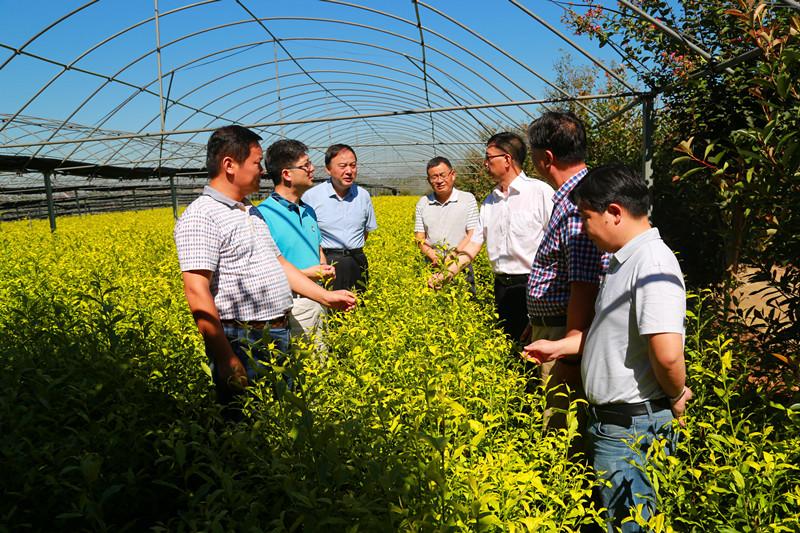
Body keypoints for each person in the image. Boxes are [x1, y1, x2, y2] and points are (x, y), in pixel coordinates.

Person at [523, 164, 691, 532]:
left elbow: (667, 353)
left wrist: (677, 394)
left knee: (632, 524)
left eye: (586, 217)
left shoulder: (652, 263)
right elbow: (610, 333)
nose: (583, 228)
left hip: (630, 427)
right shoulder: (623, 262)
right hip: (615, 425)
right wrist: (559, 346)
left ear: (614, 212)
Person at [174, 126, 356, 418]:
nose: (262, 170)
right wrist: (225, 357)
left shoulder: (250, 211)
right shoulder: (202, 215)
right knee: (247, 424)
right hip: (242, 340)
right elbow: (196, 290)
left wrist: (325, 297)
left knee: (283, 418)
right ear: (229, 165)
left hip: (276, 333)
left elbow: (279, 264)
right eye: (256, 163)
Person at [524, 111, 607, 433]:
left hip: (564, 334)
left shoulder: (576, 203)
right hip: (554, 326)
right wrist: (536, 319)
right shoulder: (575, 195)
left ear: (546, 158)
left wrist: (570, 354)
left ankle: (565, 465)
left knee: (561, 422)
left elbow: (584, 284)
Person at [430, 132, 553, 342]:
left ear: (507, 159)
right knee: (508, 346)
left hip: (534, 286)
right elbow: (473, 245)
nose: (485, 163)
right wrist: (447, 273)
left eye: (488, 157)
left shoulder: (540, 192)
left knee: (535, 348)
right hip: (502, 288)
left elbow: (557, 246)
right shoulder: (490, 202)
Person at [255, 139, 335, 345]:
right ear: (287, 174)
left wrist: (324, 266)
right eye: (305, 165)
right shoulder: (261, 216)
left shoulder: (308, 211)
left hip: (318, 298)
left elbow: (317, 247)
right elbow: (264, 273)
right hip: (292, 305)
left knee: (321, 359)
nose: (312, 169)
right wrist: (309, 274)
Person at [302, 144, 377, 291]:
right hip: (328, 263)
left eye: (353, 165)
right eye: (342, 166)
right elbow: (307, 235)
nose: (349, 171)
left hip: (357, 260)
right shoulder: (311, 197)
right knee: (329, 303)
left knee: (360, 301)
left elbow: (365, 232)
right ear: (328, 169)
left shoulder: (363, 195)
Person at [414, 156, 479, 292]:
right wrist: (433, 256)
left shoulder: (467, 199)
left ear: (452, 174)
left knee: (464, 300)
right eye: (434, 177)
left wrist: (453, 255)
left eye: (442, 175)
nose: (439, 181)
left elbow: (472, 234)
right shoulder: (423, 203)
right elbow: (419, 238)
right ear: (429, 180)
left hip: (461, 266)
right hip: (432, 268)